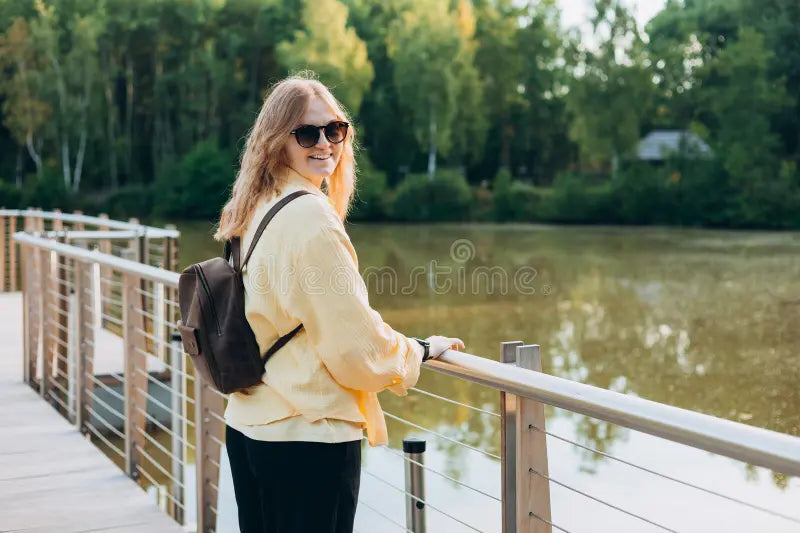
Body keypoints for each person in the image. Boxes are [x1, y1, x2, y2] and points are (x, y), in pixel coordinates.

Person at [213, 72, 465, 533]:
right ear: (277, 141)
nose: (325, 142)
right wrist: (418, 351)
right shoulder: (310, 216)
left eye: (335, 130)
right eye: (307, 132)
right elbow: (355, 347)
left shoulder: (255, 205)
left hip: (249, 425)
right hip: (307, 433)